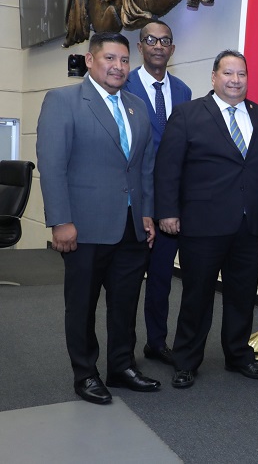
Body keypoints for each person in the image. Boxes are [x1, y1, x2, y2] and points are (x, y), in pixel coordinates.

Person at [36, 32, 161, 405]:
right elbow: (53, 165)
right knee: (82, 305)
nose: (118, 67)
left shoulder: (137, 106)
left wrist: (148, 214)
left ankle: (121, 366)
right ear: (90, 61)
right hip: (84, 226)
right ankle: (85, 374)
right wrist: (60, 220)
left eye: (124, 60)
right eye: (109, 58)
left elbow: (143, 168)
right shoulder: (63, 101)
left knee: (125, 303)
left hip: (131, 227)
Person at [154, 49, 258, 388]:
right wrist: (167, 211)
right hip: (202, 225)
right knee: (197, 295)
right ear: (214, 77)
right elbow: (168, 168)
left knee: (242, 295)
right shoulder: (187, 114)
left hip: (250, 225)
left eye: (241, 74)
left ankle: (238, 356)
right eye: (228, 73)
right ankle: (185, 362)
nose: (235, 80)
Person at [124, 20, 192, 365]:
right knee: (128, 281)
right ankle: (123, 353)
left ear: (172, 49)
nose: (158, 46)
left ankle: (156, 342)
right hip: (133, 202)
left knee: (162, 278)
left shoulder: (183, 92)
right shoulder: (124, 85)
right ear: (140, 46)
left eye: (165, 41)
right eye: (151, 40)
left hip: (169, 203)